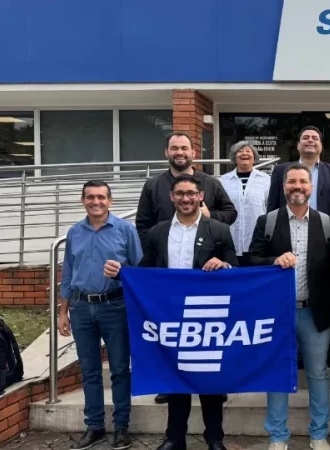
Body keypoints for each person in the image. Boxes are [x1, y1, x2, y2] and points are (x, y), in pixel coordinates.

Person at [106, 174, 239, 450]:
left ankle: (215, 438)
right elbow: (146, 270)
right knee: (175, 376)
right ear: (171, 197)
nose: (185, 199)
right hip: (170, 314)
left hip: (207, 315)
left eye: (191, 193)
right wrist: (123, 274)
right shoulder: (157, 232)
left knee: (210, 379)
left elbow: (235, 270)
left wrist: (223, 265)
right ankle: (175, 437)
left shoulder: (218, 230)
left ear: (200, 196)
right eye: (180, 194)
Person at [135, 131, 237, 404]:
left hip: (205, 282)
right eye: (174, 148)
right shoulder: (152, 185)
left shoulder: (211, 183)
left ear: (193, 152)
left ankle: (213, 384)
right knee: (171, 335)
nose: (179, 152)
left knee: (206, 335)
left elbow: (231, 213)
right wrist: (155, 250)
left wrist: (210, 215)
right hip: (167, 279)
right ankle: (170, 383)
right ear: (167, 152)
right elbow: (142, 224)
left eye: (184, 148)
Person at [246, 163, 330, 450]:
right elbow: (251, 260)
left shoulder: (328, 223)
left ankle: (319, 435)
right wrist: (273, 261)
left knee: (318, 375)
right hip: (278, 312)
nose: (297, 186)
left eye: (303, 181)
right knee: (278, 373)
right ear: (283, 187)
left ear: (311, 187)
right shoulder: (268, 221)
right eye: (292, 182)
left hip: (315, 312)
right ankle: (277, 436)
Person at [58, 180, 142, 450]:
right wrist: (63, 312)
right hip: (81, 308)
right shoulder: (74, 232)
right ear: (83, 200)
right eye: (90, 197)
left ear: (110, 200)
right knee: (90, 370)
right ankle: (94, 426)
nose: (96, 202)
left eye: (101, 197)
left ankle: (121, 427)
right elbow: (67, 274)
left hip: (114, 306)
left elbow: (139, 269)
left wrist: (122, 271)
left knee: (119, 369)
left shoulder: (126, 230)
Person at [267, 126, 330, 221]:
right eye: (305, 138)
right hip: (287, 228)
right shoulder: (280, 171)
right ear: (298, 145)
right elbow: (272, 207)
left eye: (315, 138)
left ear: (321, 146)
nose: (310, 140)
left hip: (324, 229)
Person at [220, 141, 271, 266]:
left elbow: (270, 208)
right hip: (231, 240)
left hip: (258, 240)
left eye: (248, 151)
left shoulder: (266, 179)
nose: (244, 153)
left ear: (254, 157)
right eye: (240, 151)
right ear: (234, 157)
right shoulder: (224, 180)